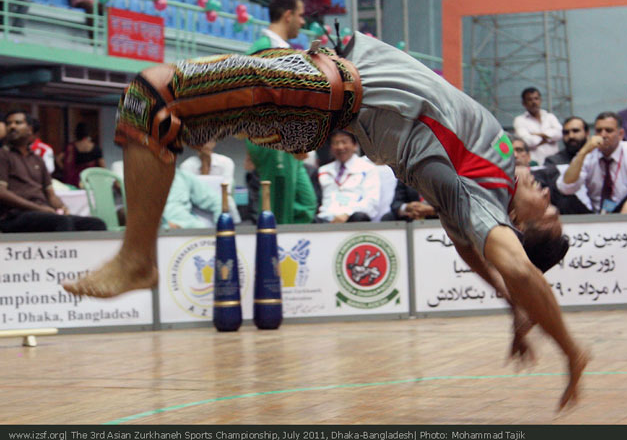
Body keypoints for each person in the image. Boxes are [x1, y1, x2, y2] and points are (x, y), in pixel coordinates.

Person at [62, 32, 587, 408]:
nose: (548, 195)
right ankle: (138, 256)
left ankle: (137, 258)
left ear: (518, 225)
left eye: (548, 213)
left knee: (153, 96)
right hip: (319, 80)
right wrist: (513, 310)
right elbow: (473, 252)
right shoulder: (478, 189)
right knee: (161, 117)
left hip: (326, 90)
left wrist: (569, 350)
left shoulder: (481, 193)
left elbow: (515, 266)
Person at [244, 0, 317, 224]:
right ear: (288, 15)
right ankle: (271, 247)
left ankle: (288, 245)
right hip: (275, 138)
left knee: (306, 204)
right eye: (301, 15)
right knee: (278, 212)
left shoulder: (283, 49)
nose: (303, 22)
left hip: (286, 139)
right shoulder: (264, 49)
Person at [0, 110, 106, 233]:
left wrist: (62, 207)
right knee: (62, 221)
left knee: (96, 224)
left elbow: (50, 194)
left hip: (41, 213)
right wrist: (38, 208)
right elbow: (2, 193)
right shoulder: (3, 155)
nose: (12, 126)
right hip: (14, 215)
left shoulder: (37, 159)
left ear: (30, 129)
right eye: (9, 124)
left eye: (18, 123)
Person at [557, 112, 627, 214]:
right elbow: (566, 187)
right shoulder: (588, 154)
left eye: (608, 130)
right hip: (595, 214)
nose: (603, 135)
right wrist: (582, 152)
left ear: (620, 134)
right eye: (599, 130)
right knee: (565, 201)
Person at [316, 130, 380, 223]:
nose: (340, 147)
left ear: (355, 145)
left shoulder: (368, 169)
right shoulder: (323, 170)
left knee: (359, 217)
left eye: (344, 142)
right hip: (326, 218)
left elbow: (371, 202)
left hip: (354, 218)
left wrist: (347, 213)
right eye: (335, 143)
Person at [533, 117, 592, 215]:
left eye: (575, 131)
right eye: (566, 133)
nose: (571, 136)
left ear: (587, 133)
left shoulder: (598, 156)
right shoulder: (553, 161)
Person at [178, 139, 239, 218]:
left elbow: (226, 190)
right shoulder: (187, 165)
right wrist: (204, 166)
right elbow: (187, 193)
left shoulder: (226, 162)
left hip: (222, 203)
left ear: (214, 142)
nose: (205, 143)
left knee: (226, 202)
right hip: (194, 205)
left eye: (209, 139)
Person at [162, 169, 240, 229]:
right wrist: (164, 225)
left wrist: (220, 229)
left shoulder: (182, 176)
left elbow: (217, 202)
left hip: (188, 230)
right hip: (158, 231)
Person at [513, 87, 562, 165]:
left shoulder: (550, 117)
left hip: (555, 162)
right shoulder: (519, 120)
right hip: (534, 163)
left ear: (540, 100)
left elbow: (559, 134)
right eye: (529, 99)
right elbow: (527, 142)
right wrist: (549, 137)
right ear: (524, 103)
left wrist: (537, 135)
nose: (534, 102)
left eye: (536, 98)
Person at [57, 122, 105, 188]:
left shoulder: (71, 147)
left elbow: (58, 159)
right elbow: (102, 166)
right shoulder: (95, 148)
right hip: (90, 180)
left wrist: (65, 169)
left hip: (73, 180)